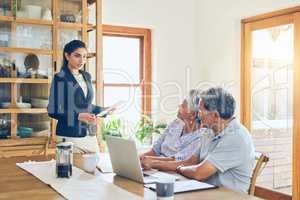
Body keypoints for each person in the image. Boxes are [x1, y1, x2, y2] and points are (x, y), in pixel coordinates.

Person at [141, 87, 255, 193]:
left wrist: (179, 169)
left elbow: (199, 173)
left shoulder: (235, 137)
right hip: (205, 191)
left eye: (200, 111)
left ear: (215, 115)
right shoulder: (210, 131)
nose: (198, 116)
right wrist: (156, 164)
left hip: (226, 196)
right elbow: (190, 162)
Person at [48, 40, 109, 154]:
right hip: (69, 135)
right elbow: (52, 110)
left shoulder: (87, 76)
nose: (82, 60)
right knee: (73, 170)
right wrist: (78, 116)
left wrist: (104, 110)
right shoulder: (60, 78)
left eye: (85, 57)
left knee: (94, 169)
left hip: (90, 134)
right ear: (67, 55)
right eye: (77, 56)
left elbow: (86, 105)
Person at [140, 89, 205, 161]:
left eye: (183, 106)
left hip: (171, 170)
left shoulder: (200, 137)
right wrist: (138, 158)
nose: (179, 106)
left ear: (193, 114)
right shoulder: (175, 123)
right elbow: (155, 150)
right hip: (154, 166)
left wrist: (149, 160)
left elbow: (176, 160)